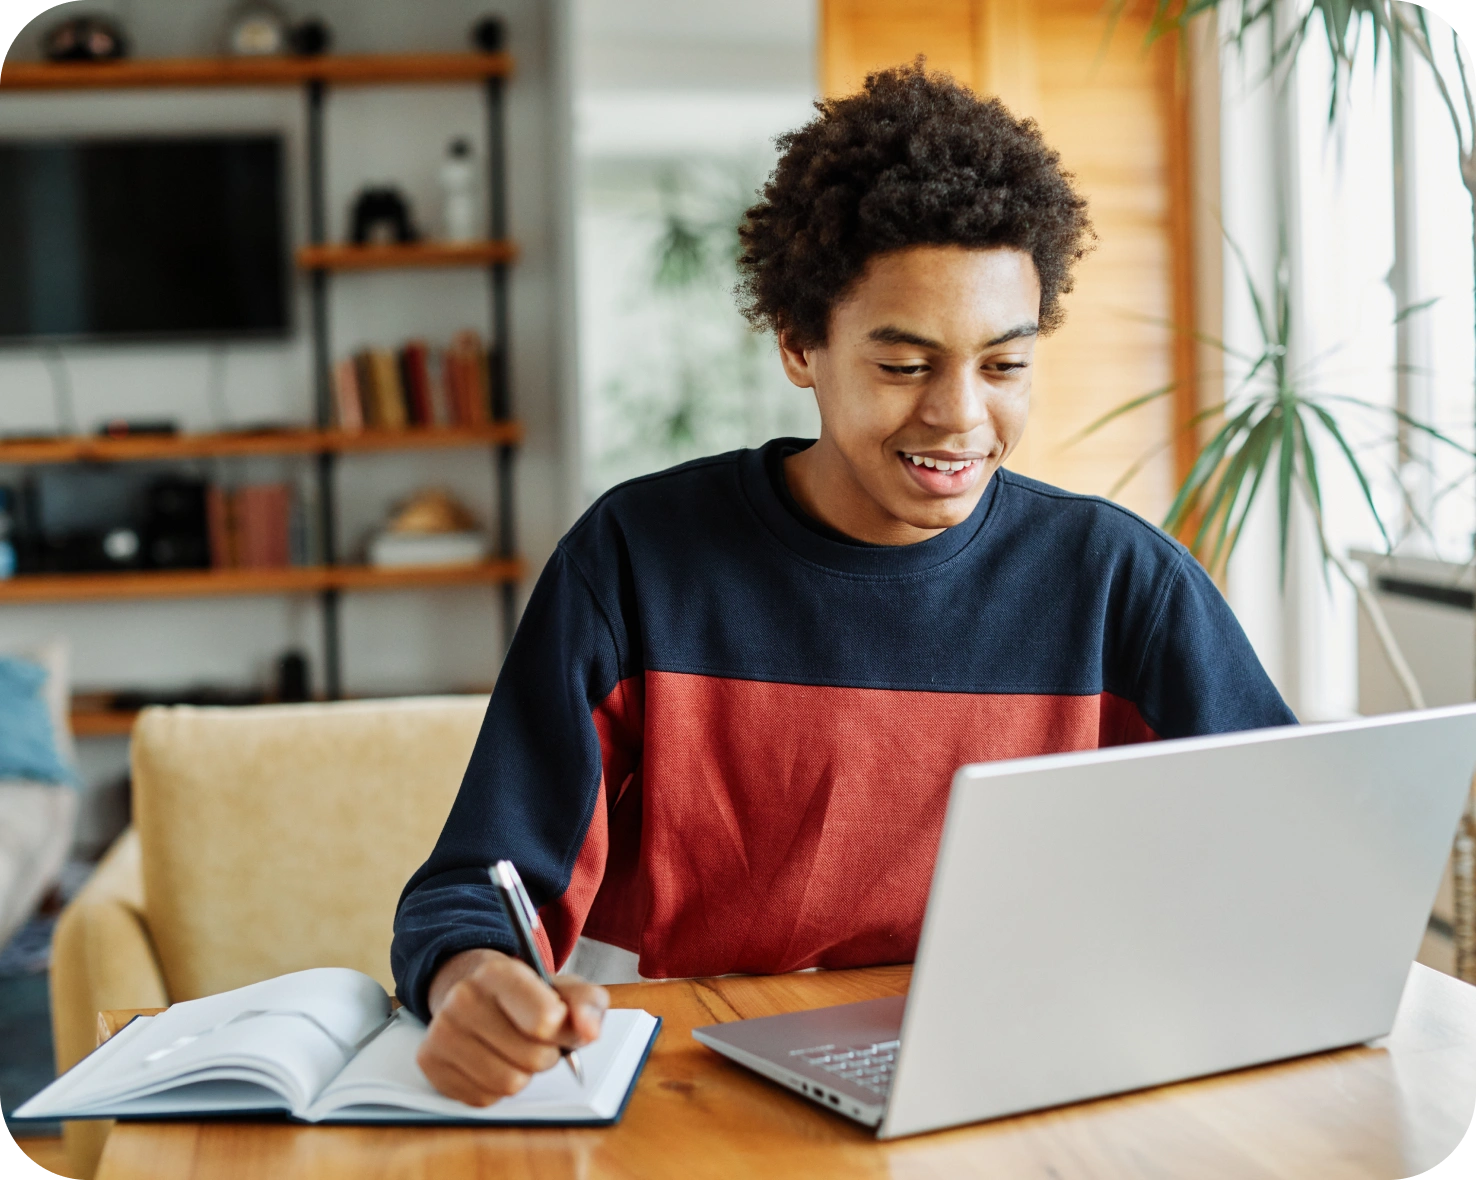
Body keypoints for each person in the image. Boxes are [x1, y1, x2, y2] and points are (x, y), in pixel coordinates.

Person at [391, 63, 1296, 1105]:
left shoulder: (1121, 583)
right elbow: (474, 888)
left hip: (1007, 1082)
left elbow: (1287, 860)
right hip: (689, 1084)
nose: (960, 416)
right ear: (798, 345)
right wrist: (475, 980)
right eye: (905, 364)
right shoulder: (637, 559)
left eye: (1004, 365)